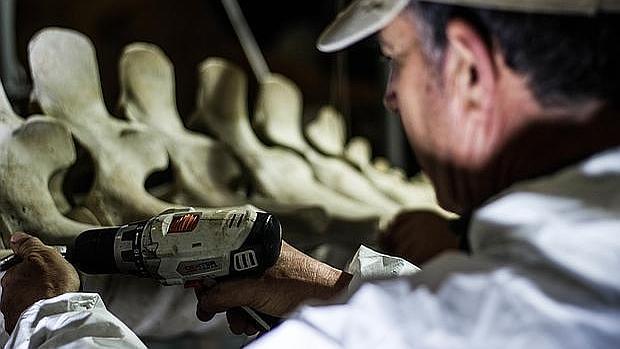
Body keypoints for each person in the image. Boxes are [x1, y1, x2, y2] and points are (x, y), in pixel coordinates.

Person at [2, 0, 620, 347]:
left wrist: (54, 316)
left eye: (392, 60)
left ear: (466, 71)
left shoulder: (475, 319)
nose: (391, 97)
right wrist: (332, 291)